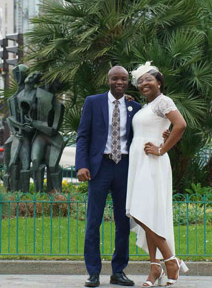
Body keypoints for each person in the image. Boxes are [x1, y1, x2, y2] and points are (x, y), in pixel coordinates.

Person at [75, 66, 141, 287]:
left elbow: (142, 133)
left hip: (125, 167)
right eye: (115, 78)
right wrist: (81, 165)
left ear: (128, 82)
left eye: (123, 79)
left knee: (123, 223)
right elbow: (83, 135)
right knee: (93, 222)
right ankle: (93, 272)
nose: (119, 82)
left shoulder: (135, 107)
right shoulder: (93, 102)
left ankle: (118, 271)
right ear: (108, 80)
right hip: (99, 167)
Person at [126, 62, 188, 287]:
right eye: (140, 81)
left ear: (159, 83)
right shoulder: (147, 106)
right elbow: (153, 126)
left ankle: (170, 259)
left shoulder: (164, 101)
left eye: (149, 79)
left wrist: (162, 149)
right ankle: (154, 266)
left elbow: (180, 124)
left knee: (142, 212)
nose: (144, 83)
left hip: (152, 162)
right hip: (139, 161)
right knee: (144, 213)